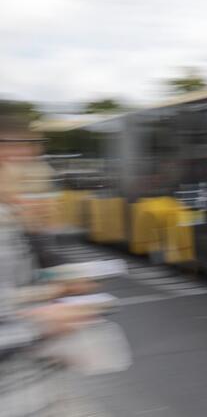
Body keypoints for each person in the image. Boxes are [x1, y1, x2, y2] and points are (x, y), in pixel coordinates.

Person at [0, 112, 99, 416]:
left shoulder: (13, 224)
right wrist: (41, 321)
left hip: (34, 389)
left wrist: (65, 281)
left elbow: (45, 259)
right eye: (20, 165)